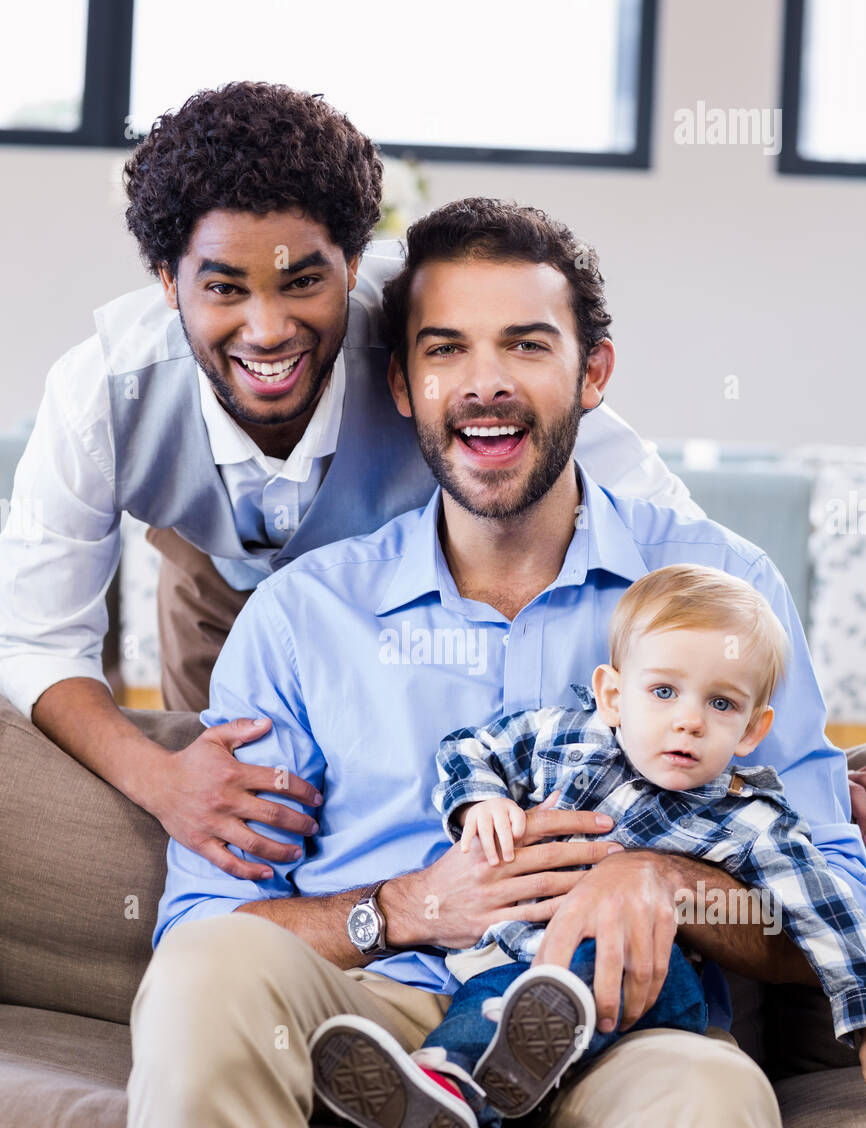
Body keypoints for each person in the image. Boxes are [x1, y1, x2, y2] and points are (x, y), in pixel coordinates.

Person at [123, 197, 866, 1128]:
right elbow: (203, 929)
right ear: (400, 386)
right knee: (200, 974)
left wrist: (666, 884)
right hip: (370, 1017)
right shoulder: (301, 616)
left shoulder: (721, 593)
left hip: (622, 1026)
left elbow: (832, 889)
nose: (483, 381)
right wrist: (408, 907)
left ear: (592, 372)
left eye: (525, 344)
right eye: (444, 349)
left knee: (708, 1097)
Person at [0, 83, 696, 889]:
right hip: (210, 582)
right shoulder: (102, 391)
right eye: (224, 287)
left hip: (390, 598)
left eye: (302, 283)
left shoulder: (434, 333)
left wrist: (785, 747)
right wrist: (160, 779)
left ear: (355, 264)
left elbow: (654, 516)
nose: (267, 330)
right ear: (167, 280)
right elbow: (38, 639)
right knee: (229, 801)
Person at [310, 565, 866, 1128]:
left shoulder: (754, 818)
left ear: (753, 730)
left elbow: (829, 918)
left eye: (722, 703)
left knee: (580, 961)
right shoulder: (567, 739)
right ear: (612, 696)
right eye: (663, 692)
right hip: (517, 967)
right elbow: (468, 747)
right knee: (498, 1004)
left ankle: (503, 1064)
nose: (689, 720)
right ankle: (446, 1095)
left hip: (651, 990)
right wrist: (481, 800)